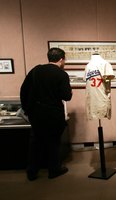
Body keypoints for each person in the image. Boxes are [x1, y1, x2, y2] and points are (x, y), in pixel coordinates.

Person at [20, 48, 72, 181]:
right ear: (61, 59)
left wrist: (27, 109)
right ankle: (53, 170)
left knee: (35, 143)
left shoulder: (35, 70)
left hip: (36, 114)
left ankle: (32, 172)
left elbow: (23, 90)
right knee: (53, 142)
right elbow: (66, 96)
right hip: (53, 113)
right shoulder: (61, 74)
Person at [84, 53, 114, 120]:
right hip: (92, 100)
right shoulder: (88, 66)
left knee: (102, 112)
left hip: (102, 99)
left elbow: (109, 77)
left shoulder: (105, 64)